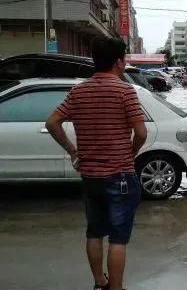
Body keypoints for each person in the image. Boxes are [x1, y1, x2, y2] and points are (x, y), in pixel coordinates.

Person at [45, 38, 147, 290]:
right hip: (120, 176)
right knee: (118, 238)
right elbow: (141, 133)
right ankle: (116, 287)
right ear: (118, 62)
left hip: (90, 175)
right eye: (124, 58)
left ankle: (99, 281)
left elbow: (52, 122)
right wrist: (130, 154)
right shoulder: (125, 91)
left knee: (94, 232)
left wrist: (73, 151)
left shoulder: (79, 91)